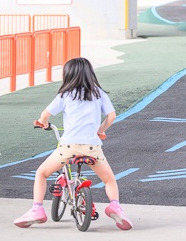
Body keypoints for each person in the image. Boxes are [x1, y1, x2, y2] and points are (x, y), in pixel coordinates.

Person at [15, 57, 132, 230]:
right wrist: (100, 130)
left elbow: (45, 115)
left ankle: (37, 209)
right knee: (109, 180)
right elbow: (111, 116)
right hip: (92, 147)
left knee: (41, 173)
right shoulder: (99, 93)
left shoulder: (65, 94)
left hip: (69, 146)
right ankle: (115, 206)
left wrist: (43, 123)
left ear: (68, 75)